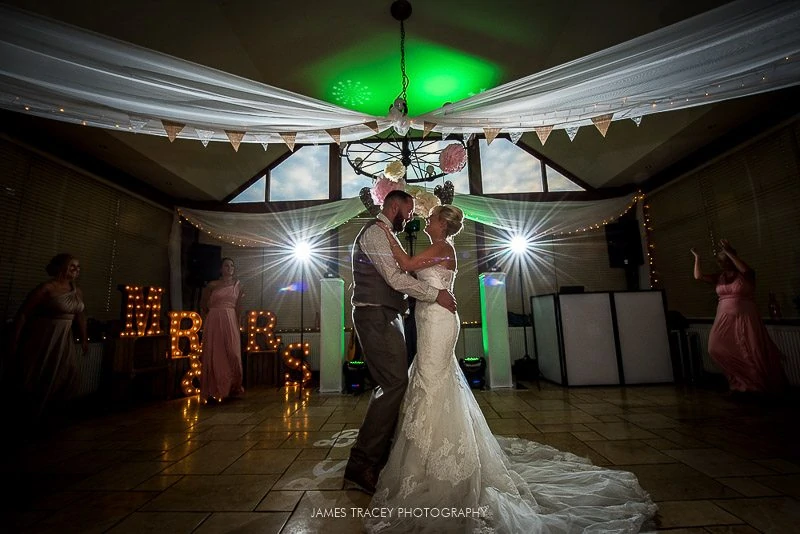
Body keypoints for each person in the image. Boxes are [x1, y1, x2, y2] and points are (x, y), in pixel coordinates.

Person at [365, 204, 657, 533]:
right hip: (430, 318)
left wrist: (386, 232)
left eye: (431, 217)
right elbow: (409, 272)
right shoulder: (438, 246)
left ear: (442, 225)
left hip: (439, 322)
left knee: (432, 382)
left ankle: (435, 462)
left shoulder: (441, 248)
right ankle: (428, 457)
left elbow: (403, 266)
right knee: (430, 380)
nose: (427, 220)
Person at [344, 190, 457, 495]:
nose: (410, 219)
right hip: (375, 316)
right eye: (407, 212)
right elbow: (395, 278)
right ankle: (361, 464)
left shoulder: (385, 234)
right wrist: (435, 294)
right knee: (394, 384)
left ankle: (379, 456)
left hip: (388, 315)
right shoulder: (375, 234)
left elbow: (402, 271)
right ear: (393, 206)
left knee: (396, 383)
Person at [691, 239, 786, 394]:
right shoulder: (719, 277)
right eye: (720, 261)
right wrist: (697, 258)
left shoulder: (746, 274)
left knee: (750, 350)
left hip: (745, 316)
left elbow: (745, 270)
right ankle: (738, 379)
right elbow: (698, 277)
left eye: (725, 260)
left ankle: (754, 384)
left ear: (731, 259)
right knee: (715, 347)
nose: (723, 264)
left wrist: (728, 251)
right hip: (724, 317)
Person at [11, 253, 88, 420]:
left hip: (64, 338)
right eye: (72, 266)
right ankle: (31, 415)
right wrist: (15, 339)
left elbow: (80, 316)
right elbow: (24, 313)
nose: (76, 270)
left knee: (68, 373)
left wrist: (84, 338)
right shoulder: (46, 288)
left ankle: (54, 414)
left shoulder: (77, 291)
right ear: (61, 267)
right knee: (41, 373)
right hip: (45, 335)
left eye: (78, 267)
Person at [199, 257, 245, 403]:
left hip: (230, 319)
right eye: (226, 265)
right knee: (215, 354)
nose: (230, 268)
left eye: (232, 265)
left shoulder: (238, 285)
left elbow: (238, 307)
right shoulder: (212, 285)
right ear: (221, 268)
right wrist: (212, 316)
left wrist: (237, 324)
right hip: (214, 319)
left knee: (233, 353)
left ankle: (233, 387)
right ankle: (216, 388)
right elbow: (203, 303)